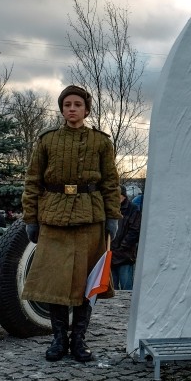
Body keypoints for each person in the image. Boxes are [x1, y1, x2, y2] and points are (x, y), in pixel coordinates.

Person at [21, 85, 121, 363]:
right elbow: (33, 182)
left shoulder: (101, 142)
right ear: (62, 109)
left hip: (90, 219)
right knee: (55, 282)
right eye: (67, 105)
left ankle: (79, 340)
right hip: (53, 218)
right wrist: (31, 218)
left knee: (86, 283)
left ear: (86, 109)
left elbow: (111, 183)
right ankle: (58, 340)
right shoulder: (47, 140)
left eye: (78, 104)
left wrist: (113, 216)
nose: (72, 109)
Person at [110, 185, 142, 290]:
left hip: (125, 256)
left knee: (126, 288)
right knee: (112, 290)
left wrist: (122, 247)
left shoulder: (133, 209)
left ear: (122, 196)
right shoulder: (111, 210)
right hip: (111, 255)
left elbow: (134, 231)